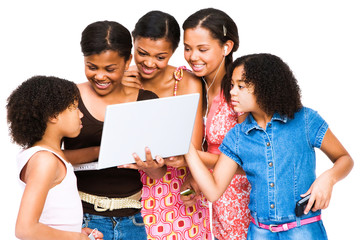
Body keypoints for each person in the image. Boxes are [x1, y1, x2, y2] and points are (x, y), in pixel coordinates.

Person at [184, 53, 354, 239]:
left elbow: (345, 159)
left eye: (241, 86)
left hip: (303, 230)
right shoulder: (237, 136)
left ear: (266, 87)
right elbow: (213, 191)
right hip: (260, 232)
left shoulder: (305, 120)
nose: (232, 92)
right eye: (232, 85)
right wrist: (186, 148)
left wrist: (328, 178)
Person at [62, 21, 166, 240]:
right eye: (92, 67)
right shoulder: (68, 98)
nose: (100, 76)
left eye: (110, 69)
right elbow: (50, 157)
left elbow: (158, 173)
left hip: (133, 221)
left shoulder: (147, 101)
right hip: (81, 220)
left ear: (128, 61)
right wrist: (103, 150)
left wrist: (151, 166)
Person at [121, 10, 210, 240]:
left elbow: (191, 149)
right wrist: (121, 91)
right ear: (133, 40)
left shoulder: (188, 81)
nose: (149, 63)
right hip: (129, 191)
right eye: (142, 53)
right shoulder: (122, 79)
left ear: (173, 52)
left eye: (160, 57)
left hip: (177, 193)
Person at [181, 8, 251, 240]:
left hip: (238, 199)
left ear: (226, 47)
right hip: (203, 199)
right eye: (188, 48)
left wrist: (190, 157)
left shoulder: (239, 92)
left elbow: (250, 158)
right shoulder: (188, 83)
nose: (193, 57)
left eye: (202, 49)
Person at [7, 76, 103, 240]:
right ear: (53, 116)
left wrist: (76, 233)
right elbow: (25, 229)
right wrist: (77, 238)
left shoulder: (47, 155)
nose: (81, 114)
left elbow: (86, 154)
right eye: (74, 108)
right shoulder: (45, 161)